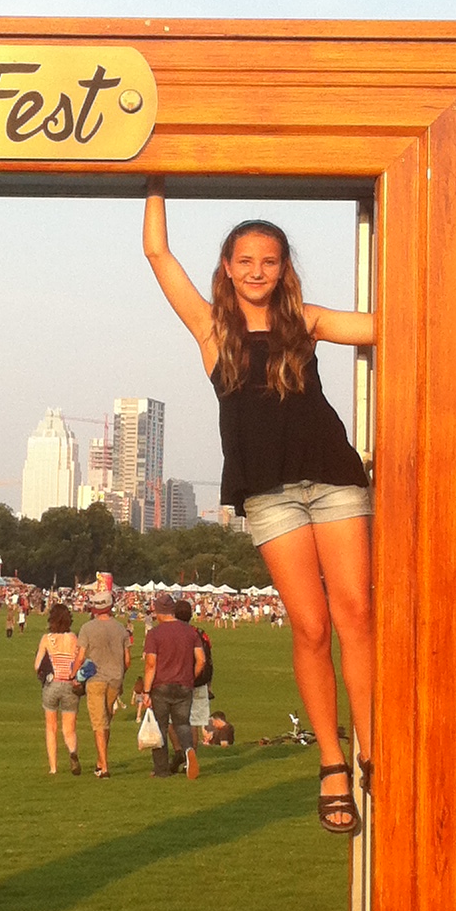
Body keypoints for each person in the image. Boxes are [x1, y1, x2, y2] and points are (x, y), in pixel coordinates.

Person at [144, 183, 374, 830]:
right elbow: (158, 255)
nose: (256, 271)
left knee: (357, 610)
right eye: (245, 260)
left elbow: (385, 327)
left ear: (283, 269)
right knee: (311, 627)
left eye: (268, 261)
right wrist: (157, 179)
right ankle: (332, 761)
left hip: (335, 480)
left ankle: (374, 742)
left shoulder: (308, 322)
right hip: (269, 497)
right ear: (227, 266)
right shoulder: (211, 330)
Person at [138, 592, 203, 778]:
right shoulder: (190, 632)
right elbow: (201, 660)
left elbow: (151, 664)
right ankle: (189, 750)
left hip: (161, 685)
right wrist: (191, 676)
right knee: (182, 724)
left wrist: (146, 691)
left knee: (160, 727)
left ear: (159, 612)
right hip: (184, 684)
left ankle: (161, 769)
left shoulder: (154, 634)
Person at [75, 595, 131, 778]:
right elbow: (127, 660)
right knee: (106, 720)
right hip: (115, 679)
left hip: (95, 680)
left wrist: (73, 675)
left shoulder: (87, 628)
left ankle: (104, 767)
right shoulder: (121, 628)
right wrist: (121, 676)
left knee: (99, 722)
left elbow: (81, 656)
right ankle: (100, 761)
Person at [33, 601, 84, 776]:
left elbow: (37, 665)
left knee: (51, 727)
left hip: (52, 684)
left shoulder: (47, 639)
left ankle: (53, 767)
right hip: (70, 684)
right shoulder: (74, 638)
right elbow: (80, 660)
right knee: (69, 728)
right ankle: (72, 752)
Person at [174, 597, 215, 745]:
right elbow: (208, 660)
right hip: (199, 682)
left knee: (173, 720)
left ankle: (179, 752)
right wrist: (208, 683)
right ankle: (191, 760)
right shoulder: (200, 633)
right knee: (193, 723)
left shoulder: (174, 633)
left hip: (178, 680)